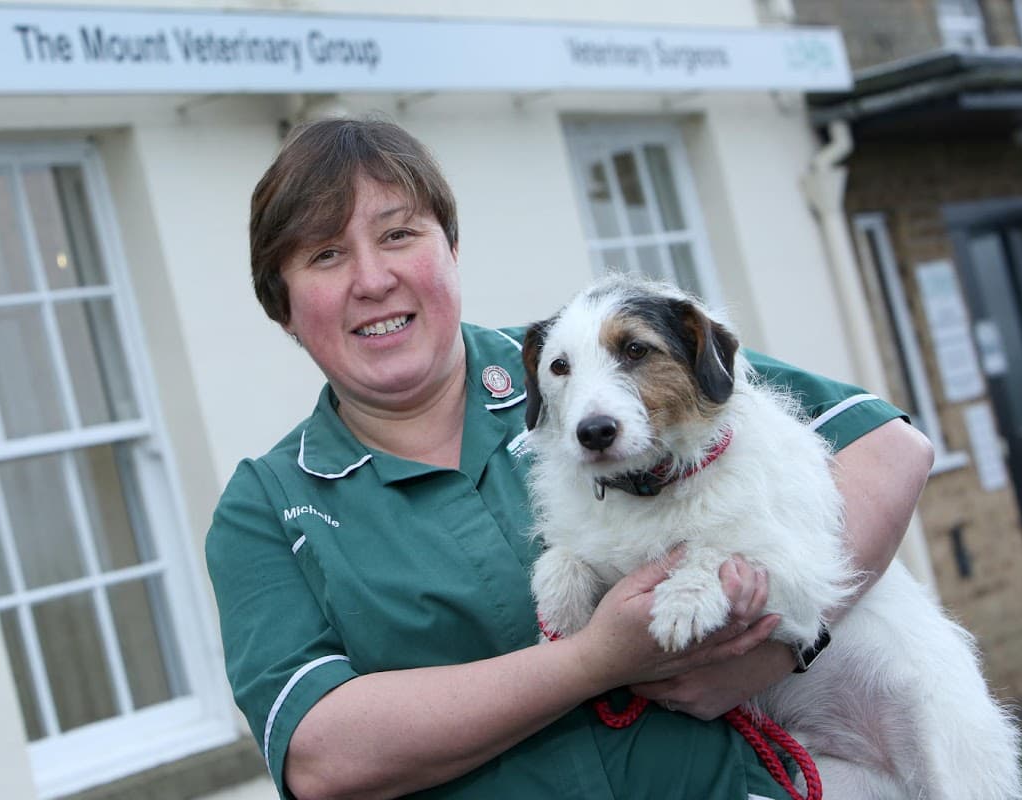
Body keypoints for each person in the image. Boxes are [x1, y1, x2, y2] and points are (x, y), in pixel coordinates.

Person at [205, 116, 935, 800]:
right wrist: (593, 662)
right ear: (284, 304)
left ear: (450, 250)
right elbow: (320, 756)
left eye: (398, 235)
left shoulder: (591, 352)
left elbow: (886, 450)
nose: (371, 279)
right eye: (325, 254)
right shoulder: (267, 506)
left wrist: (776, 650)